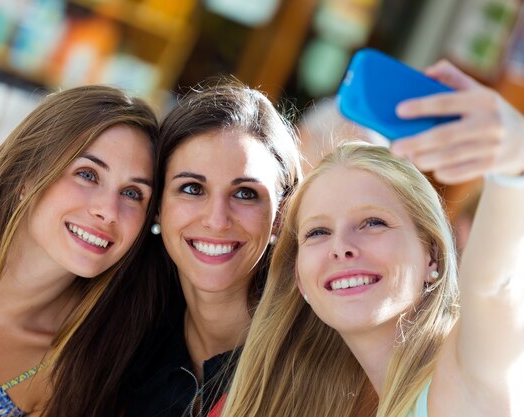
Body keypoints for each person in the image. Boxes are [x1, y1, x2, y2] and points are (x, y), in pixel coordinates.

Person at [219, 62, 524, 417]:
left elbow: (494, 288)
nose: (342, 246)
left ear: (432, 256)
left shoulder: (463, 378)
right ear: (300, 280)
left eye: (373, 222)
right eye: (318, 232)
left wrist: (515, 157)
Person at [0, 85, 158, 416]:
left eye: (133, 194)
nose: (109, 211)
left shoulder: (72, 370)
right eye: (88, 174)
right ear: (28, 175)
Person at [46, 81, 303, 417]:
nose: (216, 219)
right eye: (192, 188)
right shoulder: (121, 342)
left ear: (280, 215)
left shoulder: (313, 353)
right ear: (156, 207)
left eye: (245, 194)